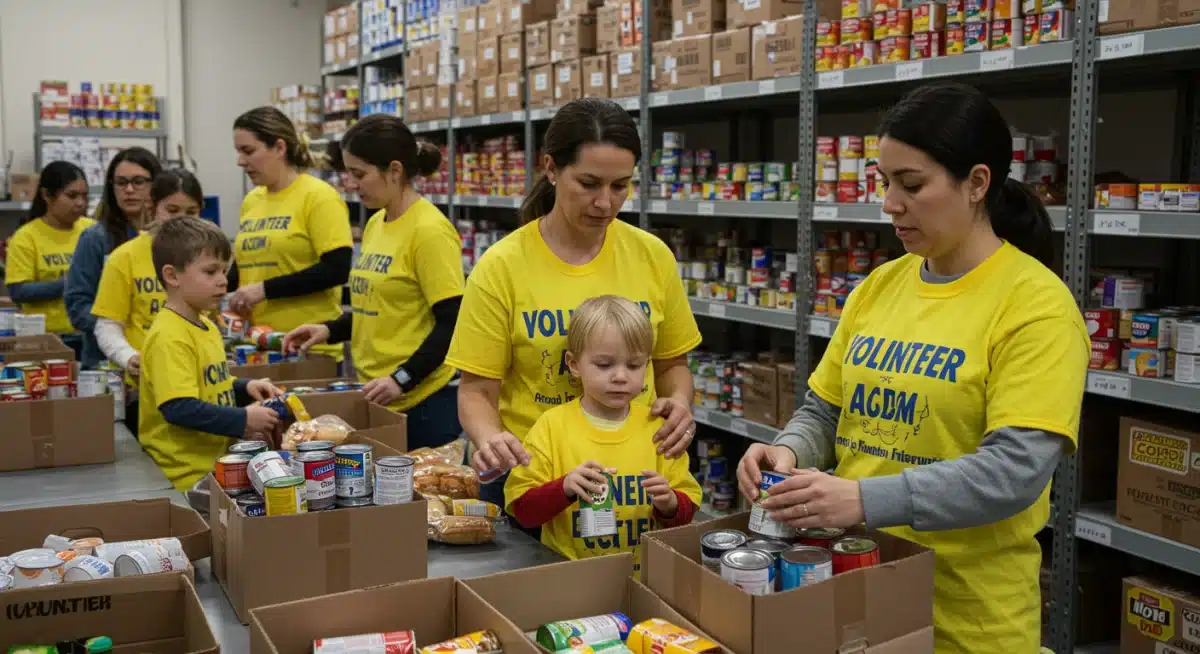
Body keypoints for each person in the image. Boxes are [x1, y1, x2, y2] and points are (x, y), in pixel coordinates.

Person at [734, 82, 1088, 653]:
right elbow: (827, 408)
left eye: (912, 185)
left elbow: (1015, 472)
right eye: (884, 182)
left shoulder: (1036, 306)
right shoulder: (880, 286)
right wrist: (789, 449)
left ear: (977, 183)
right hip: (855, 588)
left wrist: (863, 499)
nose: (890, 204)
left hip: (967, 622)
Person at [445, 97, 703, 508]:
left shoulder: (652, 257)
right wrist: (492, 440)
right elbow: (476, 390)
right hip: (536, 478)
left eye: (620, 186)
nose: (605, 202)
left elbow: (672, 364)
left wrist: (680, 405)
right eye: (588, 184)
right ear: (550, 169)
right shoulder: (502, 266)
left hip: (634, 476)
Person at [282, 115, 465, 449]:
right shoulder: (377, 222)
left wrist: (403, 378)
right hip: (378, 393)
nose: (352, 184)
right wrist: (330, 329)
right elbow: (379, 308)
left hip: (422, 403)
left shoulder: (429, 232)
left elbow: (453, 323)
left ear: (394, 170)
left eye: (359, 174)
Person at [504, 295, 701, 577]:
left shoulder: (657, 428)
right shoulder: (552, 427)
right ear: (574, 364)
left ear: (648, 365)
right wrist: (565, 488)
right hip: (569, 578)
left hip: (645, 579)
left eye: (634, 366)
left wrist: (669, 504)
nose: (620, 376)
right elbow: (523, 511)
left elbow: (687, 510)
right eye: (604, 365)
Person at [140, 216, 283, 492]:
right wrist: (242, 419)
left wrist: (245, 387)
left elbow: (206, 384)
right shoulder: (169, 335)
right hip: (184, 477)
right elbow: (179, 407)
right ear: (172, 276)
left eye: (224, 271)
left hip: (216, 467)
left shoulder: (205, 324)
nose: (223, 282)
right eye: (210, 272)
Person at [227, 106, 352, 364]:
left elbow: (336, 269)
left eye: (248, 151)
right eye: (238, 152)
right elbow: (244, 268)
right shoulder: (252, 201)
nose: (240, 162)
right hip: (256, 346)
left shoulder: (318, 197)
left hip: (307, 348)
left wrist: (264, 290)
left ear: (280, 148)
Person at [92, 170, 206, 433]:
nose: (182, 220)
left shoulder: (204, 257)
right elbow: (107, 324)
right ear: (151, 207)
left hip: (194, 382)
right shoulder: (125, 258)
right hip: (140, 387)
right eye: (172, 210)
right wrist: (128, 357)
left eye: (191, 212)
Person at [66, 147, 163, 368]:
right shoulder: (94, 238)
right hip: (107, 363)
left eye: (139, 181)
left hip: (163, 353)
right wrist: (119, 327)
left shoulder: (170, 240)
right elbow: (77, 305)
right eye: (121, 182)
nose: (129, 189)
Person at [4, 161, 94, 354]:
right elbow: (19, 290)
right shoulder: (26, 237)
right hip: (47, 340)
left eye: (84, 196)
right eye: (71, 196)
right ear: (46, 195)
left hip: (91, 334)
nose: (80, 203)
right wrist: (71, 284)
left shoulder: (92, 231)